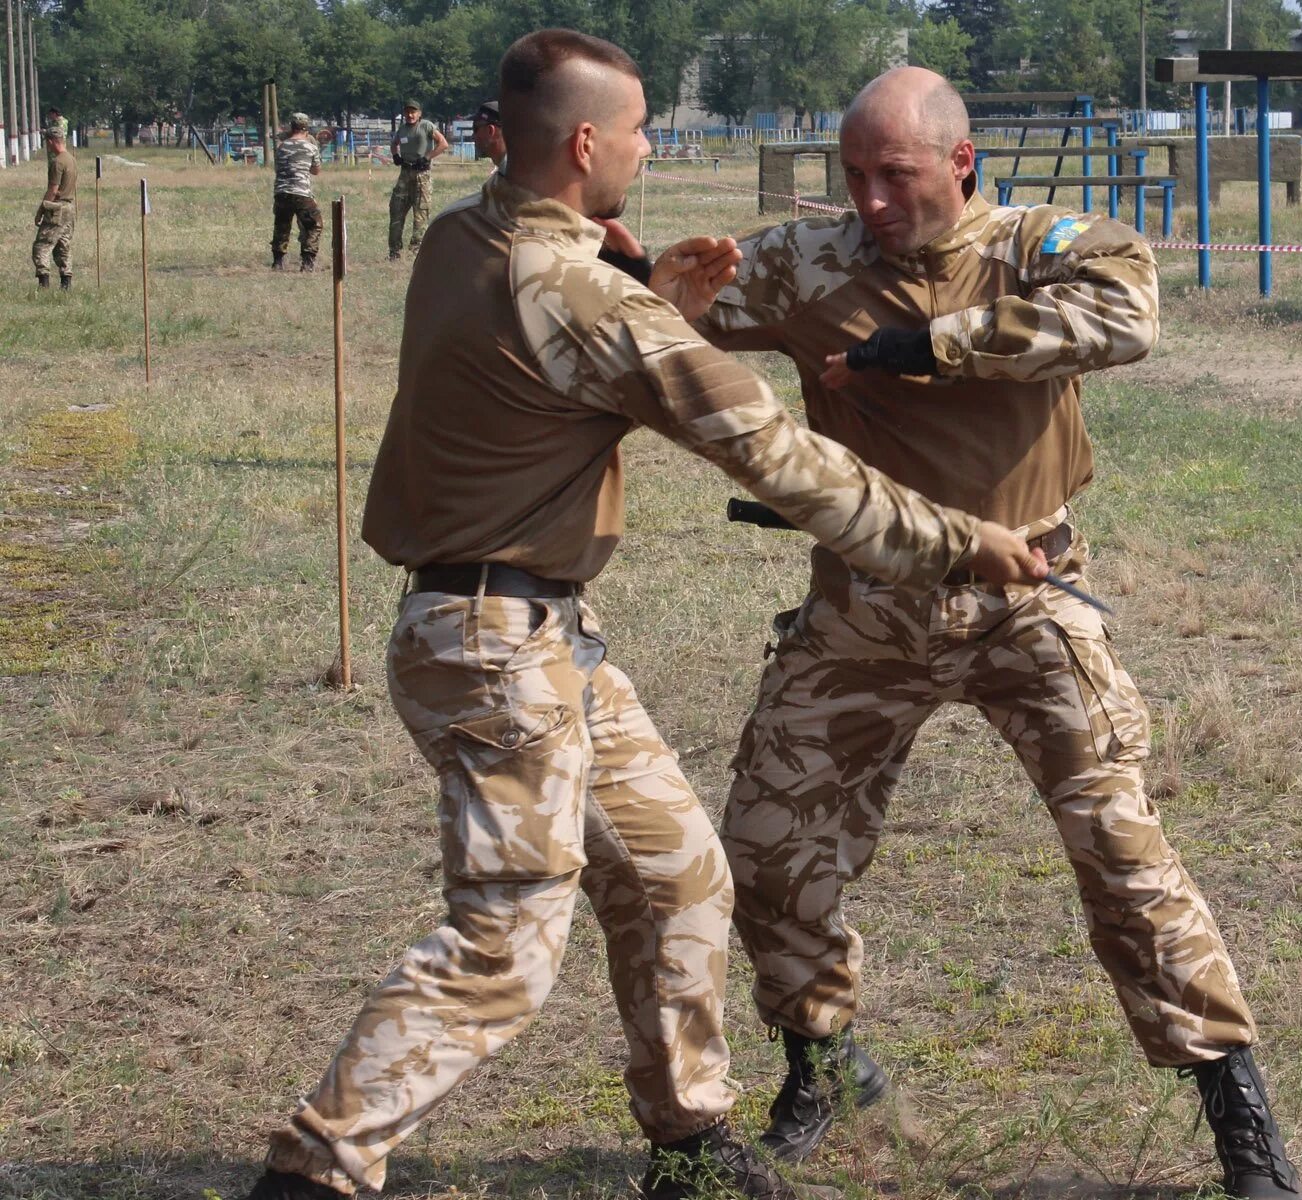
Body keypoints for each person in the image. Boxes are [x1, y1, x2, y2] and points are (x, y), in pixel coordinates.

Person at [242, 32, 1044, 1200]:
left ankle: (689, 1140)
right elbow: (780, 456)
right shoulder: (585, 296)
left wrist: (647, 301)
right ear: (584, 143)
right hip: (494, 647)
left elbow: (547, 366)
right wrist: (961, 538)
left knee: (676, 875)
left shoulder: (471, 236)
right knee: (504, 945)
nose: (646, 147)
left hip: (528, 631)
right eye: (634, 131)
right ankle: (318, 1168)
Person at [662, 66, 1302, 1200]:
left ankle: (1235, 1110)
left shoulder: (1035, 245)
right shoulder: (806, 263)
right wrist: (648, 279)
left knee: (1120, 853)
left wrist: (924, 347)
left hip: (1027, 594)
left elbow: (1127, 314)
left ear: (960, 164)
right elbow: (659, 310)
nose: (867, 199)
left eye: (894, 175)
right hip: (864, 605)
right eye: (852, 175)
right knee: (765, 850)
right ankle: (821, 1064)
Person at [388, 99, 448, 259]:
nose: (410, 115)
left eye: (413, 111)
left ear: (419, 113)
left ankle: (416, 252)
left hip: (422, 174)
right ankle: (394, 252)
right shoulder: (402, 130)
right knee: (396, 211)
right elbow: (394, 144)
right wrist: (395, 155)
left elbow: (443, 143)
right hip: (405, 174)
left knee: (421, 213)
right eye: (407, 112)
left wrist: (427, 157)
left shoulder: (426, 126)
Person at [271, 112, 323, 272]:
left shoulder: (281, 146)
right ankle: (307, 261)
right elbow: (316, 171)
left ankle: (278, 262)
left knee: (282, 226)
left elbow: (278, 168)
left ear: (291, 128)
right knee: (314, 225)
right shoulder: (311, 147)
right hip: (301, 193)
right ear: (306, 129)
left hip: (281, 192)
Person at [32, 129, 75, 290]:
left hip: (56, 209)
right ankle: (66, 283)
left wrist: (41, 210)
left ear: (51, 141)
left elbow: (52, 190)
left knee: (41, 246)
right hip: (69, 208)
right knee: (63, 245)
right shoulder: (71, 159)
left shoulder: (57, 162)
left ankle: (44, 284)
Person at [470, 98, 505, 168]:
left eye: (475, 129)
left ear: (490, 131)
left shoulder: (518, 175)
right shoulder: (503, 172)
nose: (472, 136)